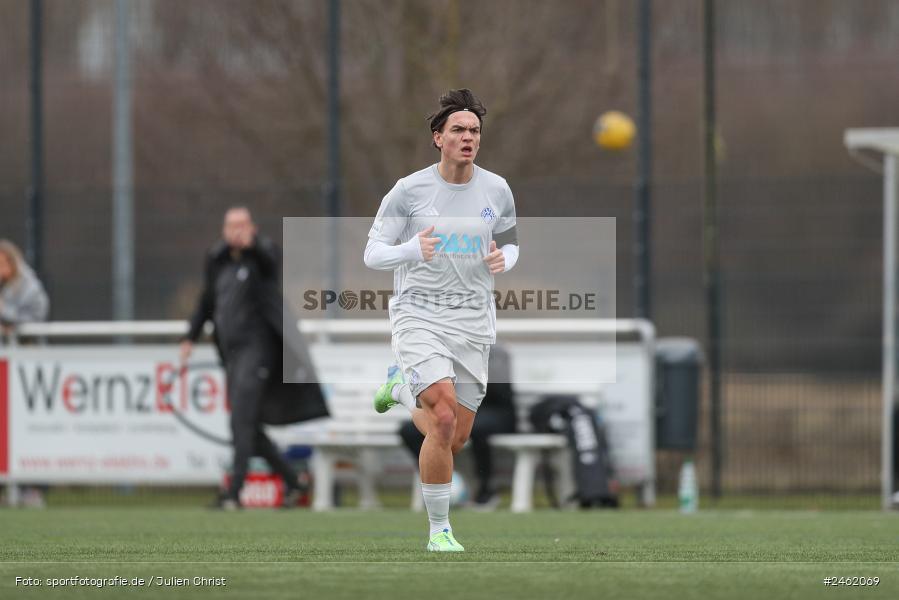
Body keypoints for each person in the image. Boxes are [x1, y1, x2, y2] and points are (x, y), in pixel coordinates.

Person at [364, 89, 519, 551]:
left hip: (473, 321)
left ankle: (399, 389)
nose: (468, 137)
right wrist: (412, 250)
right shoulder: (409, 190)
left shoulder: (497, 188)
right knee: (444, 413)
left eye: (474, 131)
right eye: (458, 130)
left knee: (452, 435)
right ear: (438, 138)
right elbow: (372, 253)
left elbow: (511, 242)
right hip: (419, 313)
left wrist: (504, 260)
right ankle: (440, 531)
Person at [180, 207, 328, 510]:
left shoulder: (263, 255)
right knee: (244, 424)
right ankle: (294, 481)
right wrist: (190, 337)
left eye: (242, 225)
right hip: (231, 354)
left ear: (253, 228)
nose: (236, 231)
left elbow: (271, 262)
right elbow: (207, 302)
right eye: (231, 225)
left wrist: (254, 244)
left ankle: (233, 493)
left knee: (241, 420)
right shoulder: (217, 260)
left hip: (258, 351)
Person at [398, 345, 516, 509]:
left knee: (475, 429)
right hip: (454, 407)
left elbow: (497, 391)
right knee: (410, 430)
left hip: (492, 409)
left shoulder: (494, 352)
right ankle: (437, 479)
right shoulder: (440, 350)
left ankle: (485, 487)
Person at [0, 239, 51, 508]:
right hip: (4, 369)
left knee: (30, 425)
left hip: (27, 369)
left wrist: (9, 318)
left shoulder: (28, 287)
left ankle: (32, 488)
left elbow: (38, 315)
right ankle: (9, 487)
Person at [0, 239, 49, 333]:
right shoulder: (3, 284)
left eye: (1, 263)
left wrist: (4, 311)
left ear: (11, 262)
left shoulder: (29, 287)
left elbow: (33, 318)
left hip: (26, 343)